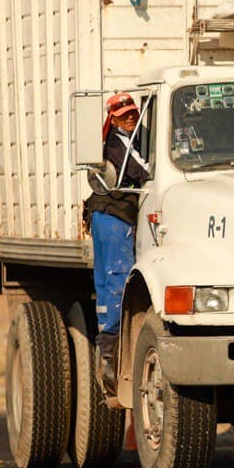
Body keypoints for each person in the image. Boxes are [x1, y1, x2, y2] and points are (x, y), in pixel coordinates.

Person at [85, 93, 150, 385]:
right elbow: (144, 171)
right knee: (118, 281)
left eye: (133, 112)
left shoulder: (122, 140)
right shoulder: (117, 144)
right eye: (124, 114)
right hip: (115, 217)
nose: (131, 117)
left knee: (105, 282)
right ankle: (112, 357)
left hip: (103, 214)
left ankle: (107, 353)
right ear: (112, 118)